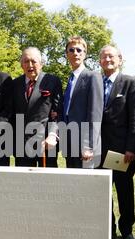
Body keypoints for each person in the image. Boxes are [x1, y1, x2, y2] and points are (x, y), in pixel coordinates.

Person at [98, 45, 135, 239]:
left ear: (120, 59)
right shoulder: (95, 82)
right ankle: (108, 228)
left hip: (121, 150)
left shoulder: (131, 83)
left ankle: (127, 229)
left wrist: (131, 147)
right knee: (102, 191)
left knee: (124, 190)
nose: (107, 60)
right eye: (103, 57)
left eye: (111, 56)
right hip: (98, 149)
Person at [11, 47, 62, 167]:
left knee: (49, 183)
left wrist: (52, 135)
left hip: (46, 144)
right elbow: (11, 113)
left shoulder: (52, 81)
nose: (30, 65)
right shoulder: (14, 84)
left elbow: (57, 112)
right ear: (21, 64)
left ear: (41, 63)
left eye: (33, 61)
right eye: (26, 61)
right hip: (22, 145)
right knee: (24, 184)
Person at [59, 36, 103, 169]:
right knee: (72, 186)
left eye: (79, 50)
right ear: (67, 54)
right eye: (71, 50)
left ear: (85, 53)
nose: (75, 53)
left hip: (85, 147)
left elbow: (95, 114)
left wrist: (88, 146)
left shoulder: (92, 77)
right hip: (69, 143)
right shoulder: (71, 79)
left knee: (86, 187)